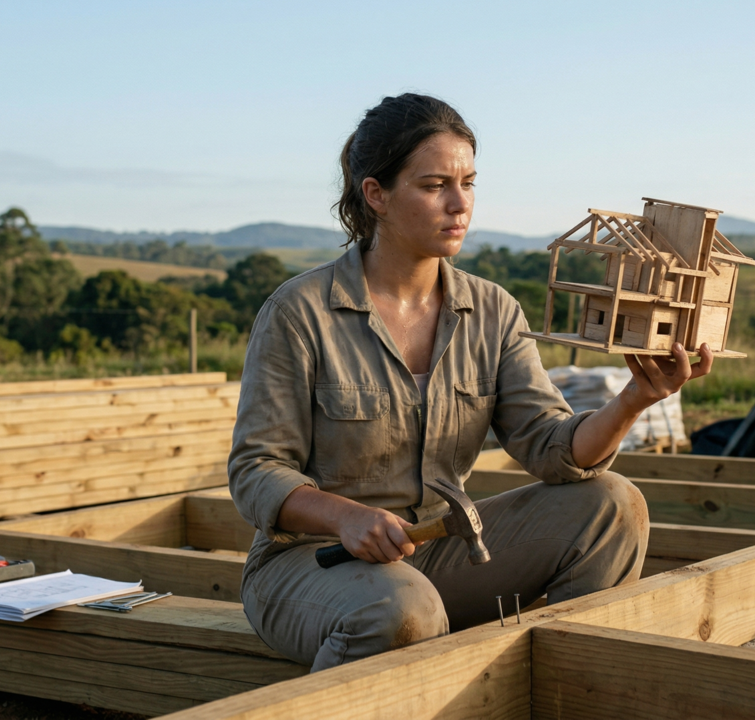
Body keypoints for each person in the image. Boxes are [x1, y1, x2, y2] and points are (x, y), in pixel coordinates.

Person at [229, 93, 713, 671]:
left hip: (434, 555)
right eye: (435, 185)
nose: (460, 204)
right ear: (376, 195)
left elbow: (553, 447)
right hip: (313, 565)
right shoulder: (300, 312)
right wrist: (346, 516)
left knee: (613, 505)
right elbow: (256, 472)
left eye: (469, 182)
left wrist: (637, 398)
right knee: (400, 610)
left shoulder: (493, 311)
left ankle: (564, 690)